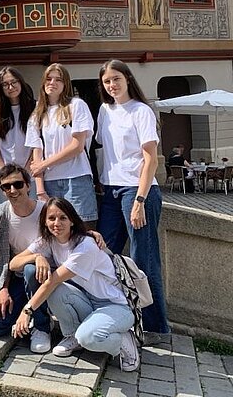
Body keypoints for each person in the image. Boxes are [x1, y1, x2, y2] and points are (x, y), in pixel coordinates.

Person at [10, 198, 140, 372]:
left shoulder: (85, 245)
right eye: (51, 218)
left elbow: (52, 281)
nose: (57, 223)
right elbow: (14, 263)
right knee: (56, 291)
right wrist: (37, 257)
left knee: (88, 337)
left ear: (72, 220)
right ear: (44, 221)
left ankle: (123, 340)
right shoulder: (48, 240)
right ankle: (72, 335)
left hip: (116, 306)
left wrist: (26, 312)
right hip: (88, 300)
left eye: (63, 218)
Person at [96, 59, 170, 339]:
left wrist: (139, 200)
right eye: (106, 81)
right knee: (103, 253)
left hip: (137, 191)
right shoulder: (104, 110)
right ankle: (116, 313)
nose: (112, 85)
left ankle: (155, 326)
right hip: (111, 190)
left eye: (116, 79)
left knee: (143, 260)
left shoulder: (141, 111)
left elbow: (150, 158)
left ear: (127, 78)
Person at [0, 164, 51, 353]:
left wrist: (93, 235)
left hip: (48, 277)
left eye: (18, 184)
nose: (13, 190)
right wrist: (2, 288)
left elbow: (71, 233)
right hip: (16, 278)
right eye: (6, 186)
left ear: (28, 185)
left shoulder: (46, 211)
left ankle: (42, 328)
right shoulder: (0, 214)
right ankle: (26, 314)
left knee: (31, 269)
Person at [26, 63, 97, 227]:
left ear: (65, 84)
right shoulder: (38, 112)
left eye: (58, 80)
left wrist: (44, 164)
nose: (53, 83)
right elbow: (37, 153)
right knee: (55, 233)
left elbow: (77, 146)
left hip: (76, 178)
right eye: (49, 79)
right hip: (50, 182)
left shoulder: (76, 105)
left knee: (82, 230)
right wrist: (40, 190)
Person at [0, 67, 36, 201]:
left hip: (31, 174)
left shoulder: (35, 108)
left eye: (14, 82)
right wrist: (4, 172)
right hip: (5, 177)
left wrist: (25, 172)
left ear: (21, 83)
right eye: (5, 84)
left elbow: (38, 143)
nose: (10, 87)